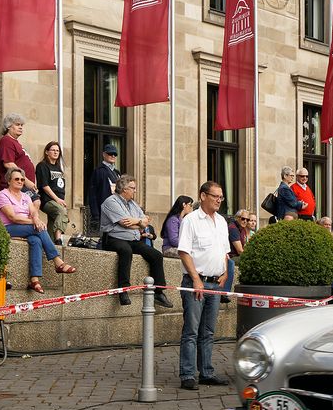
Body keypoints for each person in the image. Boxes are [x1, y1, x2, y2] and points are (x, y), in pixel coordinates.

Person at [177, 181, 232, 391]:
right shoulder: (191, 220)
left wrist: (226, 271)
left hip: (215, 283)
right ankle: (188, 374)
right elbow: (184, 251)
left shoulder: (221, 222)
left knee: (208, 331)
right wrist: (196, 279)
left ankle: (206, 372)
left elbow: (224, 251)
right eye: (215, 196)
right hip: (195, 282)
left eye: (221, 197)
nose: (219, 200)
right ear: (202, 196)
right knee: (191, 330)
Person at [0, 167, 77, 293]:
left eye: (22, 179)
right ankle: (57, 262)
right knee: (38, 229)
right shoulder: (3, 195)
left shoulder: (25, 196)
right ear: (9, 181)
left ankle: (34, 280)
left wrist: (36, 218)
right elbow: (13, 217)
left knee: (36, 240)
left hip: (26, 228)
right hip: (8, 227)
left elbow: (33, 212)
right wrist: (35, 221)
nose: (20, 181)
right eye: (17, 179)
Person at [100, 175, 173, 308]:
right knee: (125, 251)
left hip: (133, 239)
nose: (135, 191)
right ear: (124, 189)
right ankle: (123, 290)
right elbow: (125, 223)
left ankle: (159, 291)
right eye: (133, 188)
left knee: (156, 255)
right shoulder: (111, 202)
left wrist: (137, 222)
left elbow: (146, 222)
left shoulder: (133, 204)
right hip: (114, 238)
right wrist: (139, 222)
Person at [35, 141, 70, 244]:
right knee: (62, 212)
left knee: (52, 222)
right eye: (53, 150)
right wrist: (57, 199)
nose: (56, 152)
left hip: (58, 200)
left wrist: (60, 200)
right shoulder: (42, 165)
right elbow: (45, 186)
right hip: (47, 200)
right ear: (46, 152)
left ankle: (49, 243)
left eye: (58, 151)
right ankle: (58, 238)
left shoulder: (59, 167)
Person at [0, 113, 37, 194]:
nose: (20, 127)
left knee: (35, 203)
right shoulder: (6, 141)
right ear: (8, 126)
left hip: (21, 186)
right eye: (17, 124)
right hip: (14, 186)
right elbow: (9, 164)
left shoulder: (14, 142)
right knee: (35, 203)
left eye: (21, 125)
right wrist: (26, 181)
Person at [88, 144, 120, 230]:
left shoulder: (117, 173)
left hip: (116, 209)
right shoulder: (99, 171)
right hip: (104, 210)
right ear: (104, 154)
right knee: (104, 237)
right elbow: (92, 194)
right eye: (110, 153)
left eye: (115, 154)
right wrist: (95, 214)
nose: (113, 156)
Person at [221, 209, 249, 302]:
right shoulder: (233, 228)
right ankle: (225, 292)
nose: (245, 221)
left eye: (247, 220)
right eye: (243, 218)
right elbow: (240, 250)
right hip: (231, 256)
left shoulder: (243, 229)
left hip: (237, 256)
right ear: (237, 218)